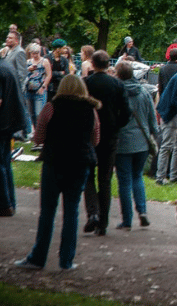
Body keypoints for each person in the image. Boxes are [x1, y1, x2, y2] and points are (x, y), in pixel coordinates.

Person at [14, 75, 100, 270]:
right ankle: (66, 260)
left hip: (55, 162)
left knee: (47, 212)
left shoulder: (51, 107)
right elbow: (95, 139)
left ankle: (38, 257)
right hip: (79, 164)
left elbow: (38, 138)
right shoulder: (90, 110)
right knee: (72, 211)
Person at [82, 51, 131, 236]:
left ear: (93, 64)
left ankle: (92, 213)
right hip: (110, 135)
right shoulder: (117, 84)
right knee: (105, 179)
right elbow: (126, 112)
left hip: (89, 135)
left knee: (88, 176)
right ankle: (103, 223)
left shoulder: (86, 83)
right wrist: (116, 125)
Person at [113, 61, 156, 230]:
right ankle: (143, 211)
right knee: (137, 176)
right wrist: (154, 135)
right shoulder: (144, 92)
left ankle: (127, 219)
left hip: (123, 141)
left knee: (124, 181)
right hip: (142, 141)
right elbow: (152, 118)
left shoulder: (117, 93)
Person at [1, 60, 27, 216]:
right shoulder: (7, 66)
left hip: (3, 123)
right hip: (10, 122)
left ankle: (4, 203)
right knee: (5, 162)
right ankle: (10, 201)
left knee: (1, 164)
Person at [24, 43, 52, 128]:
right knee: (31, 113)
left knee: (38, 113)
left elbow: (49, 75)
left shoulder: (44, 61)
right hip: (29, 90)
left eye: (36, 53)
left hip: (40, 90)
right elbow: (23, 74)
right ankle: (36, 131)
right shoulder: (28, 62)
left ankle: (41, 131)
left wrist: (43, 86)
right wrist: (29, 69)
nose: (35, 55)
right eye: (33, 53)